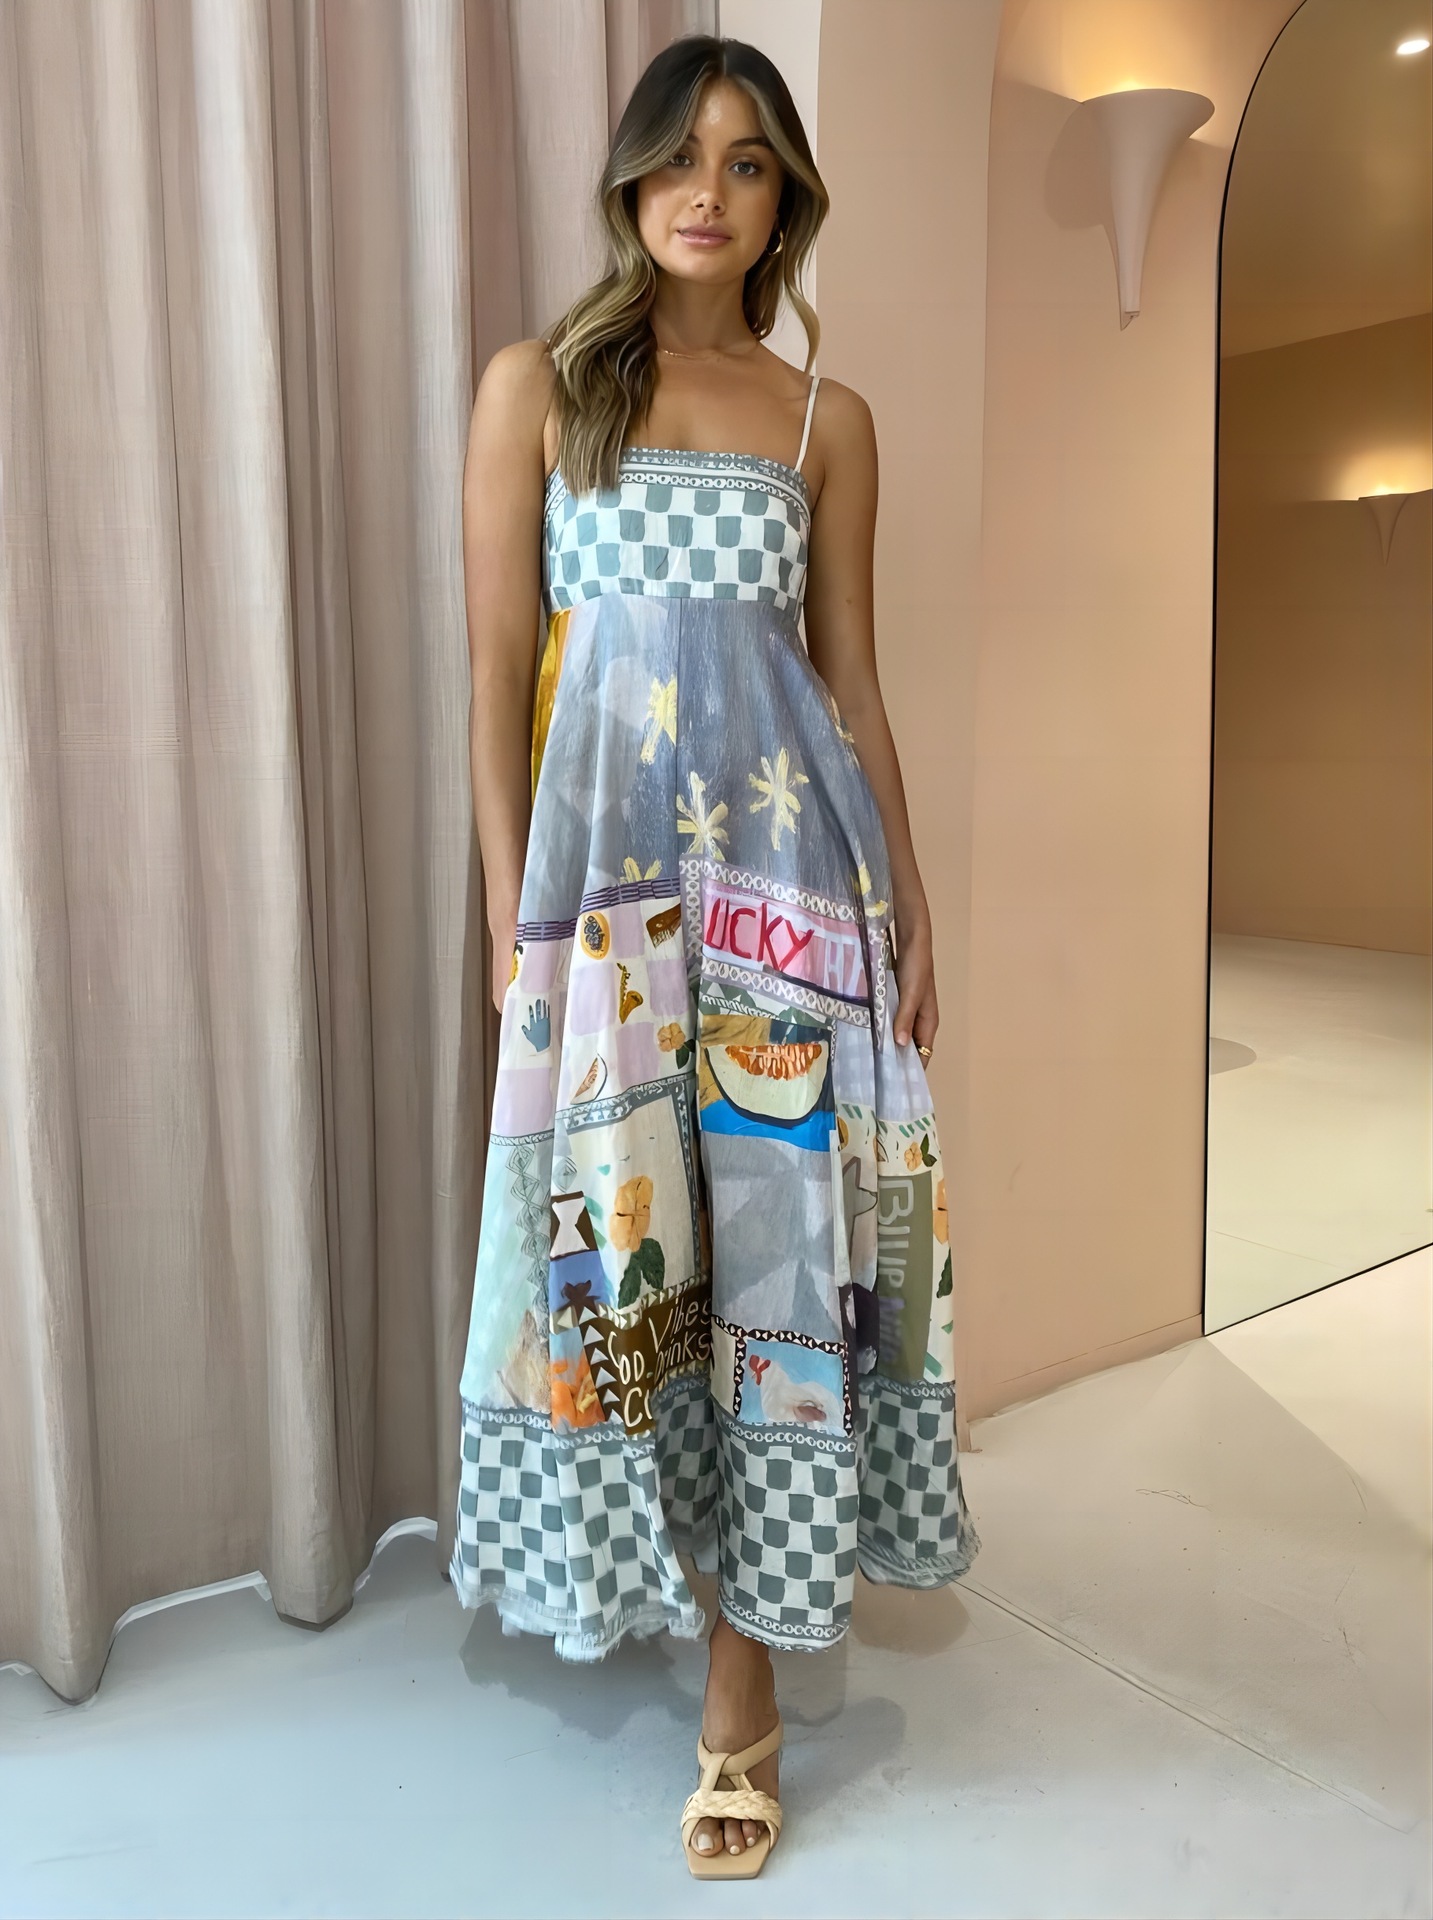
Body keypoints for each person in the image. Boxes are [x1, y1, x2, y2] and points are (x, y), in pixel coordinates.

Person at [452, 34, 978, 1879]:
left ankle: (739, 1693)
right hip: (603, 918)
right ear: (629, 182)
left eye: (748, 163)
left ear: (783, 201)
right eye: (680, 157)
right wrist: (514, 922)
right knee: (629, 1263)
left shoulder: (827, 417)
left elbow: (850, 682)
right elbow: (493, 672)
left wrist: (909, 899)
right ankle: (665, 1576)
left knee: (770, 1272)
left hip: (785, 905)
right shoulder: (536, 389)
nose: (708, 190)